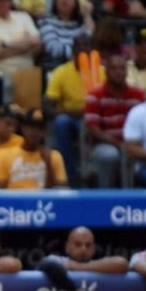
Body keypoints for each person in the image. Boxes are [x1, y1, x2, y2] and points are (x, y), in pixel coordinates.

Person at [46, 36, 103, 184]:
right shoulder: (62, 72)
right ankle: (70, 176)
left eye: (88, 47)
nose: (84, 51)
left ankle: (96, 175)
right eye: (80, 48)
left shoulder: (103, 71)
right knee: (61, 122)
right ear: (74, 51)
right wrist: (76, 112)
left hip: (99, 117)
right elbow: (48, 105)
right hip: (72, 118)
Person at [85, 54, 146, 188]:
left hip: (134, 143)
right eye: (114, 68)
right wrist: (118, 144)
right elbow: (93, 128)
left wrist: (133, 145)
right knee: (109, 155)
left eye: (122, 68)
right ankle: (105, 197)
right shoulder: (95, 95)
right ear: (106, 71)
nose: (119, 72)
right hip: (105, 144)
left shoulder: (139, 95)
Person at [0, 108, 68, 189]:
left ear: (45, 132)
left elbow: (60, 193)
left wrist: (48, 163)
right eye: (31, 127)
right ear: (23, 128)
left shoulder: (54, 156)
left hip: (42, 201)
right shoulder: (4, 155)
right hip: (14, 200)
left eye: (39, 128)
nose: (35, 131)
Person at [37, 0, 94, 65]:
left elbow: (90, 40)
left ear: (76, 1)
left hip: (82, 65)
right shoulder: (46, 22)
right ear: (55, 2)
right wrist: (79, 53)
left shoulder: (81, 23)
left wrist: (87, 15)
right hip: (55, 66)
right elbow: (53, 49)